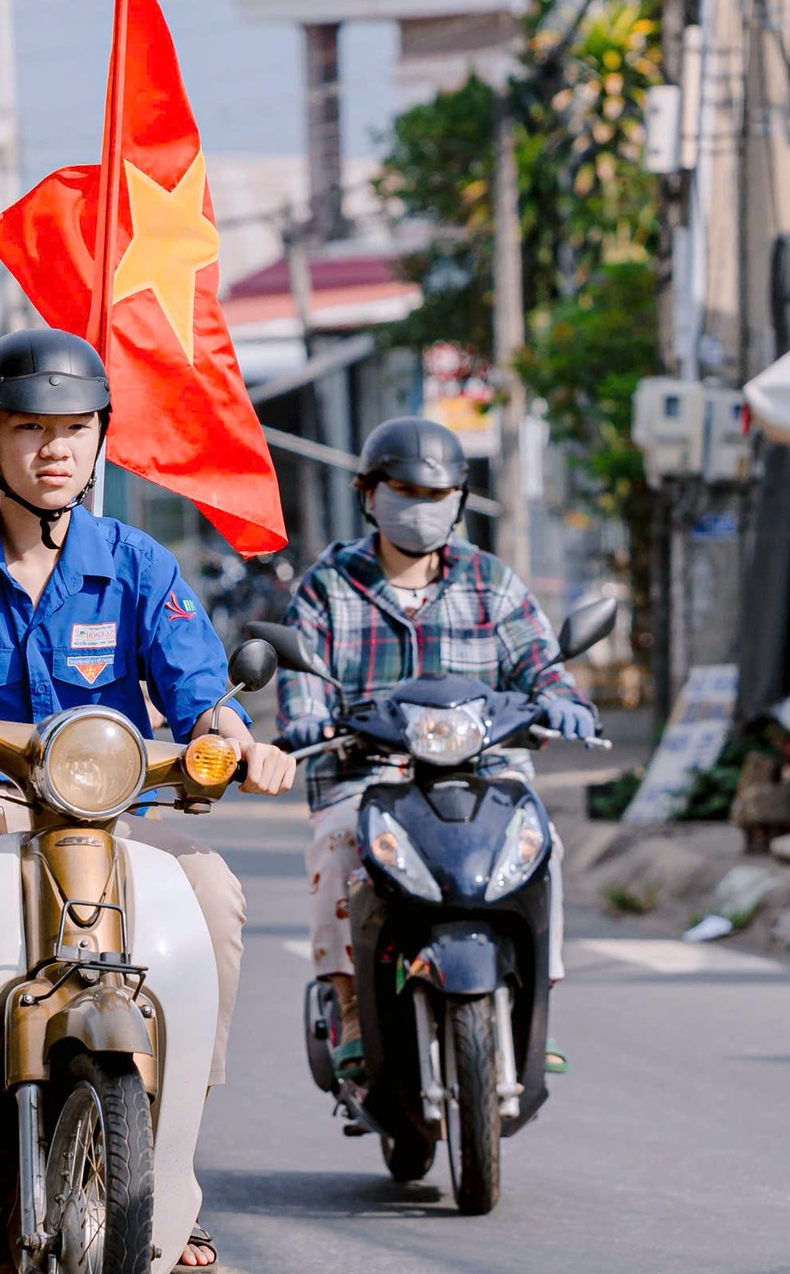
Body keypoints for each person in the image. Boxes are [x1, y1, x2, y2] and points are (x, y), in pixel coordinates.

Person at [0, 328, 296, 1266]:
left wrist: (234, 741)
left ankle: (169, 1160)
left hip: (105, 815)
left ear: (100, 437)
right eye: (31, 428)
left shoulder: (139, 564)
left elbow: (203, 694)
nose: (55, 448)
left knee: (214, 898)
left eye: (75, 428)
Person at [277, 416, 595, 1084]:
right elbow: (301, 674)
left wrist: (564, 701)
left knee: (545, 847)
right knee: (338, 845)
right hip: (369, 775)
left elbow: (542, 665)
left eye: (436, 493)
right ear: (369, 492)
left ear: (459, 498)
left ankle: (536, 1010)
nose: (420, 506)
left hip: (486, 772)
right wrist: (305, 719)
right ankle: (352, 1007)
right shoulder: (328, 586)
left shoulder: (493, 583)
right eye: (403, 490)